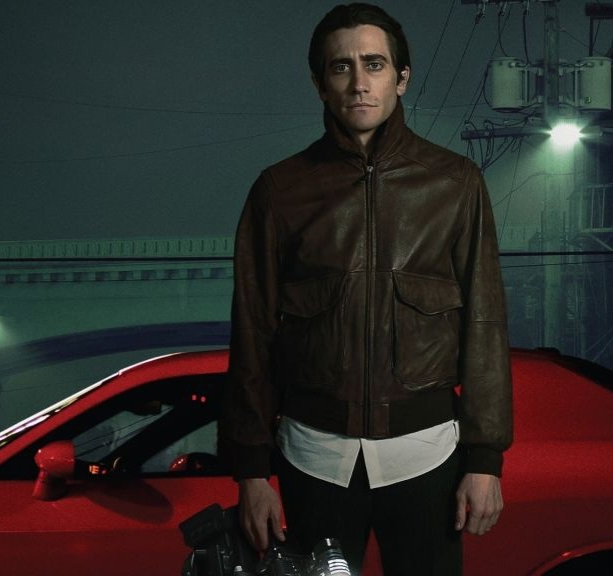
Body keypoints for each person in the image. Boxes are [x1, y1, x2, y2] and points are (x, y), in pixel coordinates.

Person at [219, 3, 513, 575]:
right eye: (341, 67)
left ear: (401, 78)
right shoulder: (279, 191)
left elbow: (485, 325)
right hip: (312, 458)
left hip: (428, 454)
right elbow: (251, 333)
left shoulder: (455, 184)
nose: (359, 82)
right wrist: (251, 472)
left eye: (374, 64)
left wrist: (485, 459)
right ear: (319, 84)